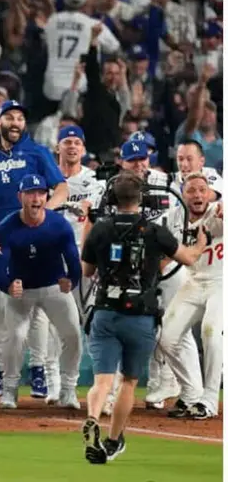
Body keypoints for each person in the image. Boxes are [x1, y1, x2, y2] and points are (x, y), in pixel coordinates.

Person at [80, 171, 210, 463]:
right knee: (128, 382)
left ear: (113, 198)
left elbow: (87, 272)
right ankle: (113, 440)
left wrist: (87, 225)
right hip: (140, 316)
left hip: (105, 312)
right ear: (141, 198)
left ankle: (92, 417)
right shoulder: (154, 231)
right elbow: (188, 258)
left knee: (102, 382)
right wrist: (200, 242)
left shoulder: (100, 229)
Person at [0, 100, 67, 399]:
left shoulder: (36, 152)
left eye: (21, 118)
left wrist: (43, 214)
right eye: (9, 117)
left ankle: (37, 371)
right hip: (2, 243)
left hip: (36, 241)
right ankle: (3, 372)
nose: (15, 123)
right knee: (2, 310)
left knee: (37, 309)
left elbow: (61, 188)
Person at [0, 175, 83, 410]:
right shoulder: (7, 227)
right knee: (15, 337)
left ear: (46, 197)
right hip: (22, 291)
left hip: (53, 286)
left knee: (72, 334)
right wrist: (8, 285)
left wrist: (70, 281)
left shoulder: (59, 225)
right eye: (30, 193)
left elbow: (73, 260)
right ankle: (9, 391)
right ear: (20, 197)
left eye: (41, 193)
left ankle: (68, 390)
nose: (36, 198)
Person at [46, 126, 106, 405]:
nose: (72, 147)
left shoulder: (95, 180)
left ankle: (98, 389)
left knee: (90, 324)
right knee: (53, 326)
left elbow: (95, 215)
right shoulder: (46, 179)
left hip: (84, 260)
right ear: (58, 147)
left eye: (77, 142)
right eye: (67, 142)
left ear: (83, 149)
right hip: (51, 259)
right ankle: (53, 385)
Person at [157, 173, 223, 420]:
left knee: (211, 332)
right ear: (183, 195)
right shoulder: (172, 218)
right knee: (167, 336)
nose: (197, 195)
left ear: (209, 193)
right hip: (194, 282)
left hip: (221, 281)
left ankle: (209, 399)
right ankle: (191, 393)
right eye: (191, 190)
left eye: (202, 190)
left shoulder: (219, 210)